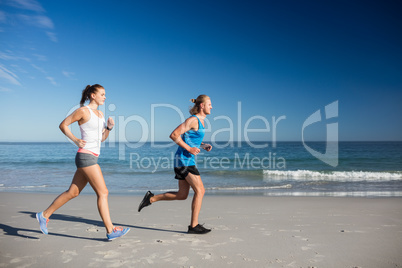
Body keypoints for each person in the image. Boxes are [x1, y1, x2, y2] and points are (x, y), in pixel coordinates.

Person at [36, 84, 130, 241]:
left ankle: (44, 215)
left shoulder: (100, 114)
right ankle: (110, 230)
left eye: (105, 94)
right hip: (85, 156)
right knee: (103, 192)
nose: (105, 97)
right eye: (102, 94)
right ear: (93, 95)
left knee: (73, 192)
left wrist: (109, 128)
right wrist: (75, 140)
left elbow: (101, 139)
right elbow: (63, 125)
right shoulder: (83, 111)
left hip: (92, 155)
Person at [138, 95, 213, 234]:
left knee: (182, 195)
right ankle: (193, 226)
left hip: (185, 160)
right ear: (202, 105)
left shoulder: (200, 122)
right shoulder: (193, 120)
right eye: (209, 104)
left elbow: (188, 138)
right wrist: (189, 149)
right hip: (184, 160)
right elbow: (174, 135)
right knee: (200, 191)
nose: (211, 106)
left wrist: (202, 145)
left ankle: (151, 198)